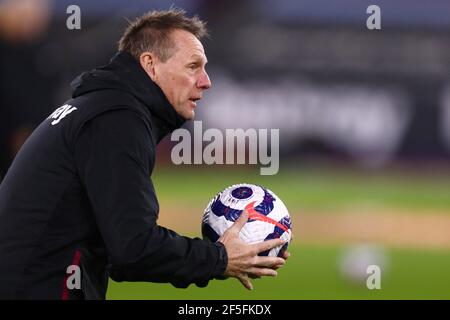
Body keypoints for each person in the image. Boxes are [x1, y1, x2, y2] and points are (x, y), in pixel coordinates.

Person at [0, 8, 287, 300]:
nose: (206, 80)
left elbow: (119, 251)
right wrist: (219, 258)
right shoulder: (117, 119)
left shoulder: (104, 107)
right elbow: (134, 249)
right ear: (150, 64)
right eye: (193, 66)